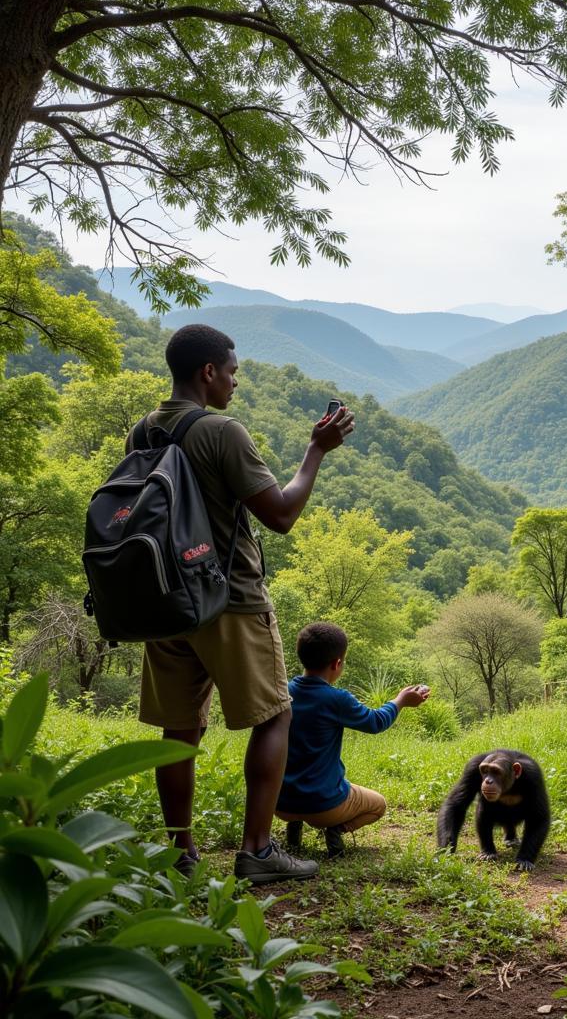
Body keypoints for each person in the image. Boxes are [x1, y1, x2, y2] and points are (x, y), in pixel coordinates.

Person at [130, 324, 354, 884]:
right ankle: (257, 852)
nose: (235, 382)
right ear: (208, 371)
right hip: (229, 596)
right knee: (276, 713)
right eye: (232, 372)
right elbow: (278, 515)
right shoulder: (222, 432)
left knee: (180, 727)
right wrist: (315, 451)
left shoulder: (144, 430)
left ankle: (178, 850)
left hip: (163, 599)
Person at [275, 621, 430, 856]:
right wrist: (400, 701)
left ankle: (293, 829)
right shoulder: (336, 699)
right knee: (378, 805)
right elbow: (376, 722)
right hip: (323, 807)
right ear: (337, 663)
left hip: (280, 803)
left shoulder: (283, 691)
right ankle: (335, 830)